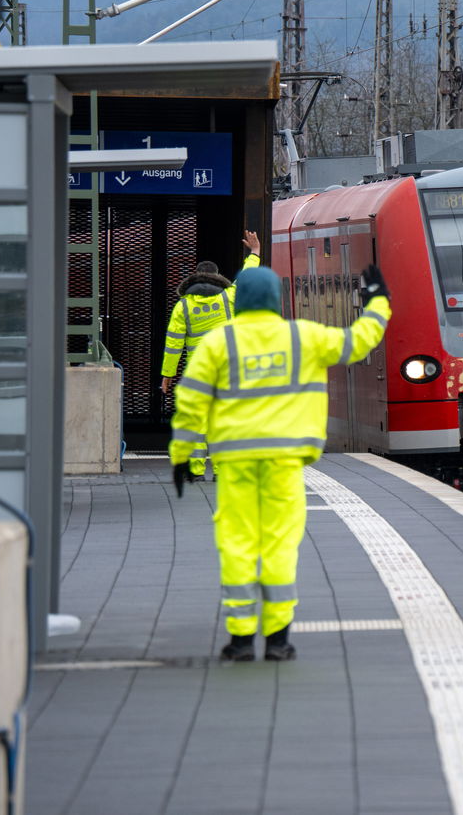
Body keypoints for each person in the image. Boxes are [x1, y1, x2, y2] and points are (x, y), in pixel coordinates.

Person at [170, 263, 391, 662]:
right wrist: (378, 303)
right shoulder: (302, 336)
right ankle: (277, 640)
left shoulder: (220, 343)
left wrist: (183, 455)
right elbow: (358, 343)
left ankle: (239, 641)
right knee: (280, 545)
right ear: (276, 300)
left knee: (237, 544)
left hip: (235, 463)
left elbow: (191, 400)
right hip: (284, 464)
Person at [160, 229, 261, 397]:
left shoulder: (183, 306)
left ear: (196, 276)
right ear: (217, 276)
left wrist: (168, 374)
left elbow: (173, 345)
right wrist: (255, 251)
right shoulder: (229, 296)